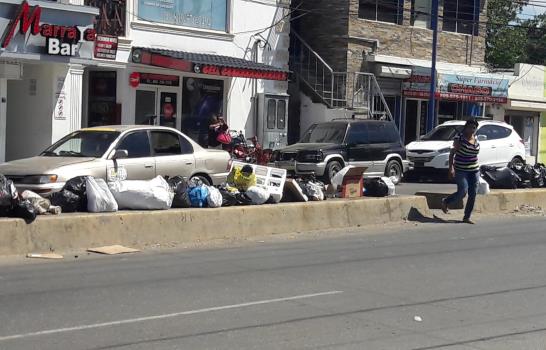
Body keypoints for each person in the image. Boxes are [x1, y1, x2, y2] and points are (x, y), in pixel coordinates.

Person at [442, 119, 481, 224]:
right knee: (463, 191)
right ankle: (446, 201)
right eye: (470, 127)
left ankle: (467, 217)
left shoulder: (476, 139)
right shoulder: (459, 138)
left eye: (474, 128)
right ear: (466, 127)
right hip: (461, 170)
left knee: (473, 194)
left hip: (474, 170)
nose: (472, 130)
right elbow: (452, 154)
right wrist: (451, 168)